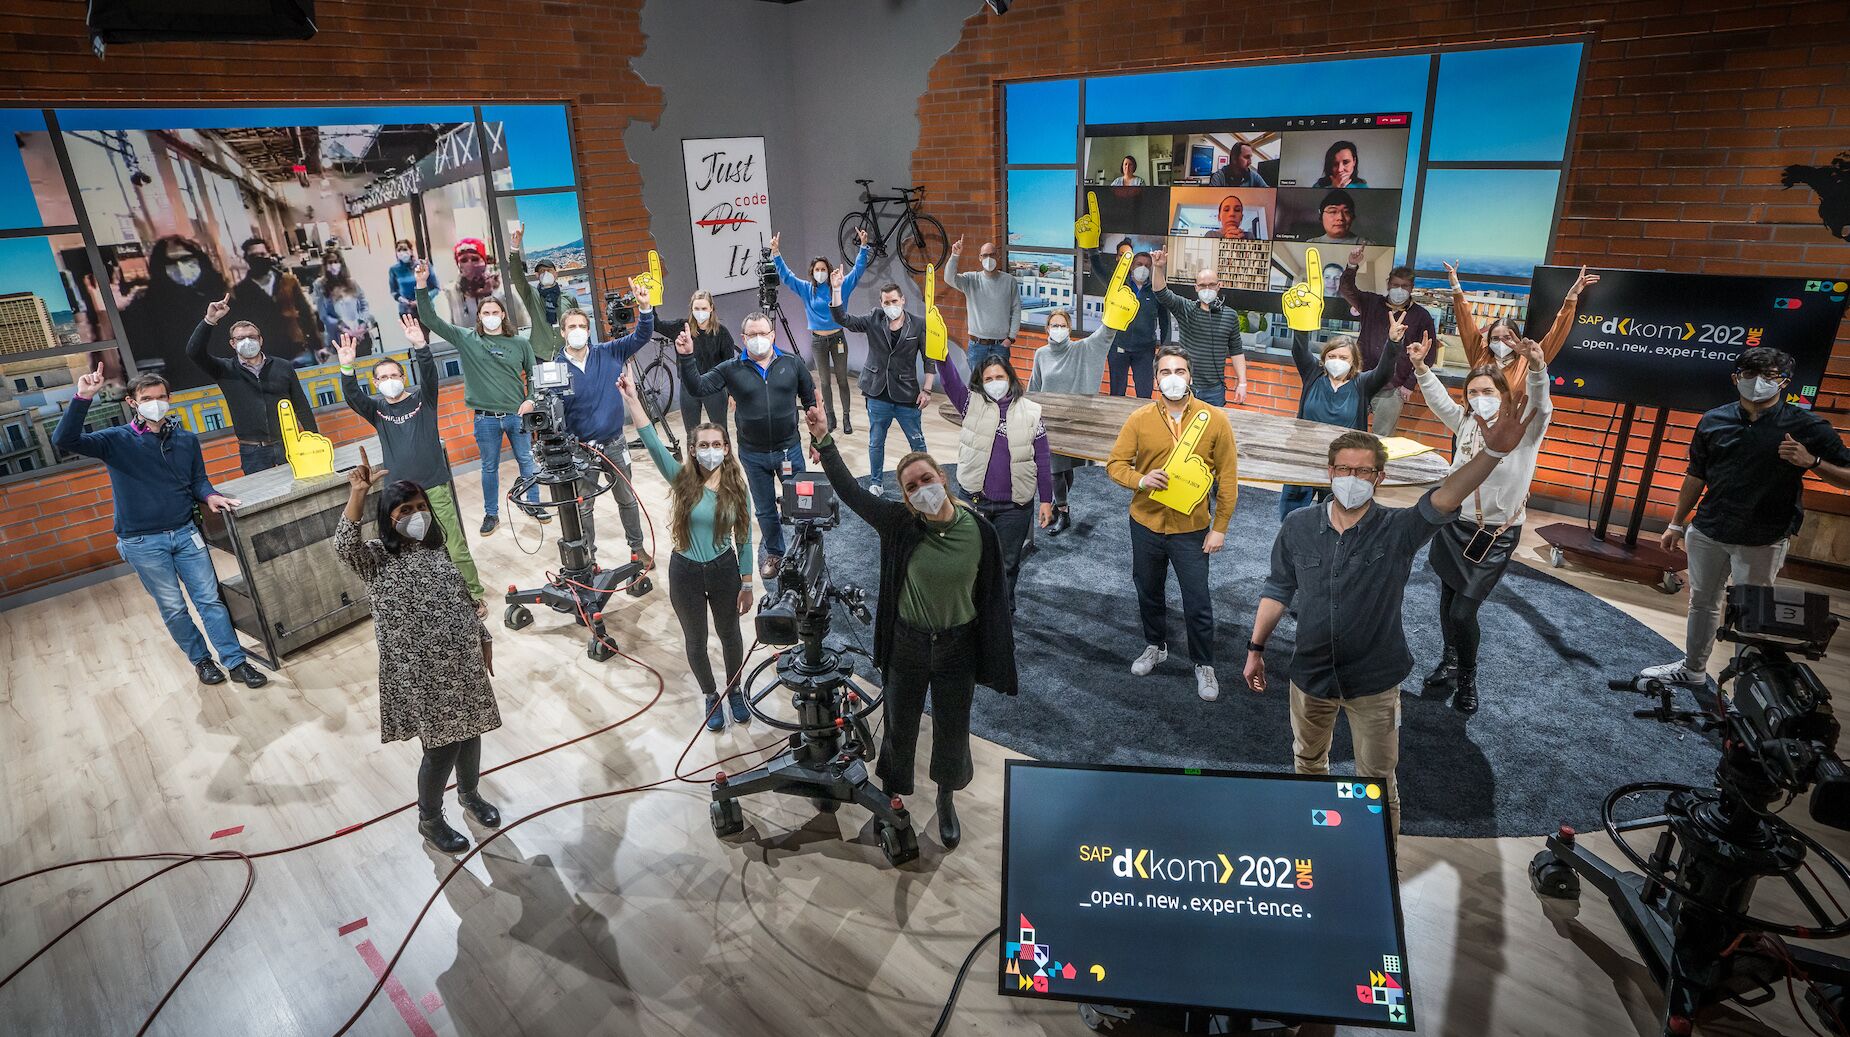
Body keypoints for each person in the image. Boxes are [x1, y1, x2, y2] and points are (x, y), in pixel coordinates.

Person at [1243, 416, 1537, 835]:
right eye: (1344, 469)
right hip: (1309, 676)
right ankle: (1314, 844)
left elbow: (1445, 497)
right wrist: (1256, 649)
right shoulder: (1298, 526)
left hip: (1375, 682)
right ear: (1330, 472)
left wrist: (1492, 452)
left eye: (1363, 471)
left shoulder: (1398, 530)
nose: (1352, 478)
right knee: (1307, 764)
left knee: (1376, 783)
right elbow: (1278, 588)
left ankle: (1383, 866)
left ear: (1379, 477)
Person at [803, 406, 1018, 849]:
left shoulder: (979, 530)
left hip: (957, 646)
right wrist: (824, 440)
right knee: (899, 724)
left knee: (953, 726)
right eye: (912, 487)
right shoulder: (900, 523)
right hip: (908, 644)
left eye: (927, 479)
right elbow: (850, 492)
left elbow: (993, 596)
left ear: (944, 477)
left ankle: (945, 797)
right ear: (904, 497)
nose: (923, 489)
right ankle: (893, 797)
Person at [1641, 348, 1850, 688]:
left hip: (1763, 537)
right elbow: (1696, 475)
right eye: (1750, 375)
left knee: (1753, 615)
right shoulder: (1714, 420)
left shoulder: (1806, 426)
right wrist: (1676, 523)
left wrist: (1812, 463)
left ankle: (1746, 690)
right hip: (1710, 527)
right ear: (1735, 377)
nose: (1758, 384)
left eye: (1768, 377)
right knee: (1702, 603)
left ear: (1783, 382)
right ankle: (1693, 669)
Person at [52, 365, 266, 688]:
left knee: (210, 600)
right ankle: (202, 661)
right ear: (132, 402)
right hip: (142, 542)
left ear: (170, 399)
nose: (156, 403)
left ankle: (236, 662)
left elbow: (198, 480)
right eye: (147, 398)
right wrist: (83, 397)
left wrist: (210, 496)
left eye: (161, 397)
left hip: (185, 534)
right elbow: (64, 439)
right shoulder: (115, 441)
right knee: (174, 608)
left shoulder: (186, 440)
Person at [336, 448, 501, 855]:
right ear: (388, 518)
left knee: (472, 731)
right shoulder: (375, 558)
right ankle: (430, 820)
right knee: (441, 746)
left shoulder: (435, 549)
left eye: (420, 506)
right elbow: (344, 545)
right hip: (421, 670)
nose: (416, 514)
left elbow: (457, 598)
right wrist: (358, 493)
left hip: (461, 658)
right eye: (405, 509)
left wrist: (481, 636)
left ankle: (470, 795)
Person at [1410, 333, 1553, 714]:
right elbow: (1440, 400)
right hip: (1453, 525)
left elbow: (1541, 402)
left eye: (1487, 390)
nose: (1479, 397)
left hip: (1495, 534)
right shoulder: (1467, 423)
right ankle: (1450, 659)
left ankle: (1469, 676)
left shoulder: (1525, 428)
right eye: (1472, 391)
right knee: (1447, 599)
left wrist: (1538, 368)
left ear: (1504, 392)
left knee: (1463, 611)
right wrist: (1422, 368)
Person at [507, 222, 651, 565]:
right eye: (571, 327)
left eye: (582, 327)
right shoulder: (553, 368)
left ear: (589, 329)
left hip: (615, 443)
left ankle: (637, 547)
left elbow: (640, 337)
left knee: (627, 501)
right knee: (583, 507)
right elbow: (542, 402)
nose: (577, 332)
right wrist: (531, 402)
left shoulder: (608, 352)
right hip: (580, 450)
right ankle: (588, 557)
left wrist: (645, 310)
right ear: (563, 331)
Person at [620, 376, 754, 732]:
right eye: (703, 444)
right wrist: (634, 400)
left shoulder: (737, 489)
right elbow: (651, 441)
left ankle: (735, 689)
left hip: (725, 570)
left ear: (727, 449)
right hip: (685, 573)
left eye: (717, 444)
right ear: (693, 450)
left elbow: (745, 537)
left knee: (730, 635)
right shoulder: (682, 480)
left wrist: (748, 582)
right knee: (695, 639)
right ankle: (711, 695)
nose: (711, 449)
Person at [1106, 346, 1240, 701]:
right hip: (1146, 522)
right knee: (1148, 591)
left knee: (1197, 599)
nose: (1174, 378)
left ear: (1190, 376)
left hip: (1192, 528)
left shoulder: (1215, 419)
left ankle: (1204, 663)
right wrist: (1140, 480)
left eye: (1180, 371)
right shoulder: (1140, 419)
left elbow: (1227, 478)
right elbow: (1115, 464)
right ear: (1156, 379)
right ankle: (1155, 645)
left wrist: (1220, 526)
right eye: (1166, 372)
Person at [340, 316, 483, 601]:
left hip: (434, 485)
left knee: (453, 543)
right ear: (376, 383)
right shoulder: (376, 410)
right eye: (383, 378)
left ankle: (473, 594)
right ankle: (429, 594)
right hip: (400, 494)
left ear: (403, 378)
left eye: (394, 376)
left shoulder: (423, 400)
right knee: (408, 547)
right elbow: (353, 396)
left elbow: (429, 376)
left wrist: (421, 346)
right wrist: (346, 367)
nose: (389, 381)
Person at [676, 311, 816, 579]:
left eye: (763, 333)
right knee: (764, 509)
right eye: (752, 335)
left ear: (772, 335)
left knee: (801, 501)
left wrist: (818, 440)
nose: (758, 339)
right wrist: (686, 357)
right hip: (754, 454)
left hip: (790, 448)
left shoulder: (792, 363)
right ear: (743, 338)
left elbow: (810, 400)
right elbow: (697, 388)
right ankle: (775, 552)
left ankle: (806, 546)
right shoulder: (731, 369)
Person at [413, 259, 545, 535]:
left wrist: (530, 399)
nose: (491, 316)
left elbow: (535, 376)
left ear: (503, 315)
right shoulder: (467, 339)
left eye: (495, 311)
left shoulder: (520, 343)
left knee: (527, 461)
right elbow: (430, 319)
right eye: (486, 312)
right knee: (488, 468)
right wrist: (421, 284)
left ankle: (533, 503)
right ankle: (491, 514)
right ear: (480, 317)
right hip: (485, 419)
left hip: (517, 416)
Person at [935, 351, 1052, 605]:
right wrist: (940, 354)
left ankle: (1003, 611)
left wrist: (1046, 500)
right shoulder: (970, 404)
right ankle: (972, 610)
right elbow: (949, 379)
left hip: (1015, 507)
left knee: (1007, 564)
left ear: (1010, 378)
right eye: (988, 378)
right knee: (971, 560)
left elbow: (1042, 458)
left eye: (999, 376)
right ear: (980, 381)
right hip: (974, 502)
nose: (994, 382)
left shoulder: (1031, 412)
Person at [1277, 318, 1407, 519]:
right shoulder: (1313, 374)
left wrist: (1393, 343)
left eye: (1344, 358)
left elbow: (1384, 372)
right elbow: (1300, 350)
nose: (1337, 361)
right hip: (1305, 454)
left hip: (1343, 462)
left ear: (1354, 362)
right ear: (1324, 358)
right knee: (1292, 511)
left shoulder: (1362, 383)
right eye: (1332, 356)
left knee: (1336, 513)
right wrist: (1302, 319)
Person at [185, 295, 322, 475]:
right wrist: (210, 320)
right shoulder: (224, 369)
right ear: (232, 344)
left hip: (289, 443)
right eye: (240, 338)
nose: (247, 341)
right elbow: (194, 352)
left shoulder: (283, 366)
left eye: (251, 337)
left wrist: (316, 441)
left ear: (260, 340)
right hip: (253, 452)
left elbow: (301, 406)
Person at [832, 274, 934, 497]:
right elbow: (843, 319)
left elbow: (929, 358)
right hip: (877, 392)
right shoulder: (874, 318)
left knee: (917, 442)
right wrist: (837, 290)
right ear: (881, 303)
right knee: (876, 442)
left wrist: (927, 388)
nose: (890, 306)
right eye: (886, 302)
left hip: (907, 394)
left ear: (903, 300)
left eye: (894, 301)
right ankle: (876, 483)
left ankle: (927, 481)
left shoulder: (917, 324)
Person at [1447, 261, 1599, 408]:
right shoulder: (1480, 354)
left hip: (1507, 430)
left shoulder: (1529, 360)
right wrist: (1456, 287)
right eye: (1495, 338)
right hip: (1471, 425)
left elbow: (1557, 333)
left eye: (1506, 337)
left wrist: (1571, 298)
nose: (1501, 343)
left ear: (1516, 338)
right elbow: (1465, 321)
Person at [770, 228, 870, 434]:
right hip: (818, 341)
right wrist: (776, 254)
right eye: (817, 269)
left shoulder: (840, 286)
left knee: (842, 379)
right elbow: (787, 277)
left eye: (823, 269)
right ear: (812, 272)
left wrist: (863, 247)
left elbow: (858, 271)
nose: (820, 272)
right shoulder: (807, 289)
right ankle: (831, 416)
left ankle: (846, 417)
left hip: (838, 339)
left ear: (829, 269)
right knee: (824, 381)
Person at [1028, 307, 1118, 534]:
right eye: (1054, 325)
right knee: (1054, 470)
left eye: (1063, 325)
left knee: (1067, 470)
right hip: (1050, 422)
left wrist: (1115, 313)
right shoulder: (1041, 354)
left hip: (1076, 422)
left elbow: (1104, 334)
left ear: (1069, 328)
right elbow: (1034, 386)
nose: (1058, 329)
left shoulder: (1082, 349)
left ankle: (1060, 506)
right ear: (1047, 328)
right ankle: (1063, 511)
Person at [1338, 246, 1435, 436]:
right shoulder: (1371, 303)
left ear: (1412, 288)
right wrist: (1351, 266)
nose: (1400, 290)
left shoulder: (1421, 316)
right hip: (1361, 381)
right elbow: (1347, 290)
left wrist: (1409, 384)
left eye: (1405, 286)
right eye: (1396, 285)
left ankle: (1375, 466)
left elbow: (1428, 354)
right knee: (1348, 432)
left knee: (1382, 439)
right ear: (1388, 285)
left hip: (1393, 388)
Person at [118, 234, 232, 388]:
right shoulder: (147, 306)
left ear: (199, 259)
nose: (180, 266)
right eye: (170, 262)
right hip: (184, 384)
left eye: (186, 259)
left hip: (228, 378)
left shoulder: (221, 298)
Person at [1149, 249, 1248, 406]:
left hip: (1214, 389)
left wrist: (1242, 383)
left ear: (1219, 286)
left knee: (1212, 428)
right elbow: (1161, 292)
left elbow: (1236, 351)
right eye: (1202, 286)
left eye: (1211, 285)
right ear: (1196, 287)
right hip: (1186, 386)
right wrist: (1158, 267)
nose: (1206, 289)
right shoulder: (1186, 309)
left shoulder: (1230, 316)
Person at [1085, 243, 1169, 399]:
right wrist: (1092, 248)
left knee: (1144, 394)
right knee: (1117, 394)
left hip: (1145, 351)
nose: (1143, 268)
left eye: (1146, 265)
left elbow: (1165, 321)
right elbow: (1098, 269)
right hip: (1118, 347)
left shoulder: (1156, 290)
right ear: (1131, 266)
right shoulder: (1118, 285)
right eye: (1139, 264)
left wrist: (1164, 348)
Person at [227, 236, 324, 366]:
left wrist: (318, 344)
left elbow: (306, 312)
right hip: (267, 355)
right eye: (254, 256)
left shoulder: (288, 281)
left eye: (262, 254)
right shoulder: (241, 291)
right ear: (247, 259)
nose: (259, 258)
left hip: (299, 349)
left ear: (269, 255)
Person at [655, 289, 735, 439]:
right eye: (696, 308)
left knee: (720, 432)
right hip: (689, 387)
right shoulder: (681, 327)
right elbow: (656, 325)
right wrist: (649, 304)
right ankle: (694, 462)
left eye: (704, 308)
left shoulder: (722, 333)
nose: (700, 312)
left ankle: (725, 461)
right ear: (691, 309)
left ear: (711, 308)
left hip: (714, 388)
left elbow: (730, 365)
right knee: (691, 434)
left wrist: (732, 393)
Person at [943, 237, 1023, 376]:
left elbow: (1016, 309)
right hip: (977, 345)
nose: (989, 258)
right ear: (980, 258)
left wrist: (1011, 338)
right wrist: (955, 255)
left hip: (1000, 346)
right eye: (985, 255)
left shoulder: (1009, 281)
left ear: (997, 256)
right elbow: (949, 278)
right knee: (976, 387)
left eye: (992, 255)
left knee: (1000, 386)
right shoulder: (971, 279)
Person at [441, 237, 529, 333]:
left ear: (484, 262)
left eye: (475, 259)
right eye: (464, 260)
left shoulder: (503, 291)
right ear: (458, 265)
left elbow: (523, 324)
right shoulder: (450, 294)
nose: (469, 264)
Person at [314, 247, 374, 357]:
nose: (333, 265)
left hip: (360, 334)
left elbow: (364, 305)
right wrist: (345, 330)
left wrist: (362, 324)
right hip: (339, 337)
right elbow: (324, 316)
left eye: (336, 262)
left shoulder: (351, 283)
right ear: (325, 265)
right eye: (330, 262)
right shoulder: (320, 285)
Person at [529, 258, 576, 327]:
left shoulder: (568, 298)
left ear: (556, 274)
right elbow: (519, 279)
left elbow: (578, 321)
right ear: (537, 275)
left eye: (549, 270)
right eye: (542, 271)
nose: (546, 274)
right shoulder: (534, 298)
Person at [387, 240, 421, 318]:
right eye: (399, 250)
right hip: (405, 311)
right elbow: (394, 291)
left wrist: (419, 301)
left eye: (405, 249)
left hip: (423, 309)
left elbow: (433, 287)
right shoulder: (394, 270)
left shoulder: (420, 266)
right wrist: (404, 301)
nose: (402, 252)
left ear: (411, 251)